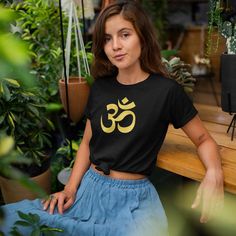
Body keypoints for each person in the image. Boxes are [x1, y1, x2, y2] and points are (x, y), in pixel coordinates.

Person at [1, 1, 224, 235]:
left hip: (133, 201)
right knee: (13, 221)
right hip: (89, 191)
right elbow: (87, 143)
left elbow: (203, 140)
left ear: (143, 37)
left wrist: (214, 171)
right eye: (107, 39)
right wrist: (70, 188)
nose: (115, 45)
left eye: (124, 34)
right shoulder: (100, 88)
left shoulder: (166, 91)